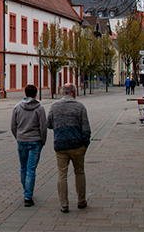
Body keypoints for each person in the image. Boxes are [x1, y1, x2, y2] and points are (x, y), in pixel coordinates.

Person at [47, 83, 91, 213]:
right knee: (79, 172)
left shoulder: (54, 106)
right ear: (73, 92)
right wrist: (85, 145)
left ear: (62, 92)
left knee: (62, 174)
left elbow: (49, 124)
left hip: (60, 145)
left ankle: (64, 204)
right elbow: (86, 128)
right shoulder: (80, 106)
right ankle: (81, 201)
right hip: (77, 145)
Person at [10, 84, 47, 207]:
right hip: (35, 141)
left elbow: (13, 126)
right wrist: (43, 141)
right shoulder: (40, 109)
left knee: (23, 167)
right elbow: (43, 127)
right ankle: (28, 196)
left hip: (22, 140)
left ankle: (26, 190)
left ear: (25, 93)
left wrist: (18, 136)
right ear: (36, 94)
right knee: (31, 169)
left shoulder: (17, 108)